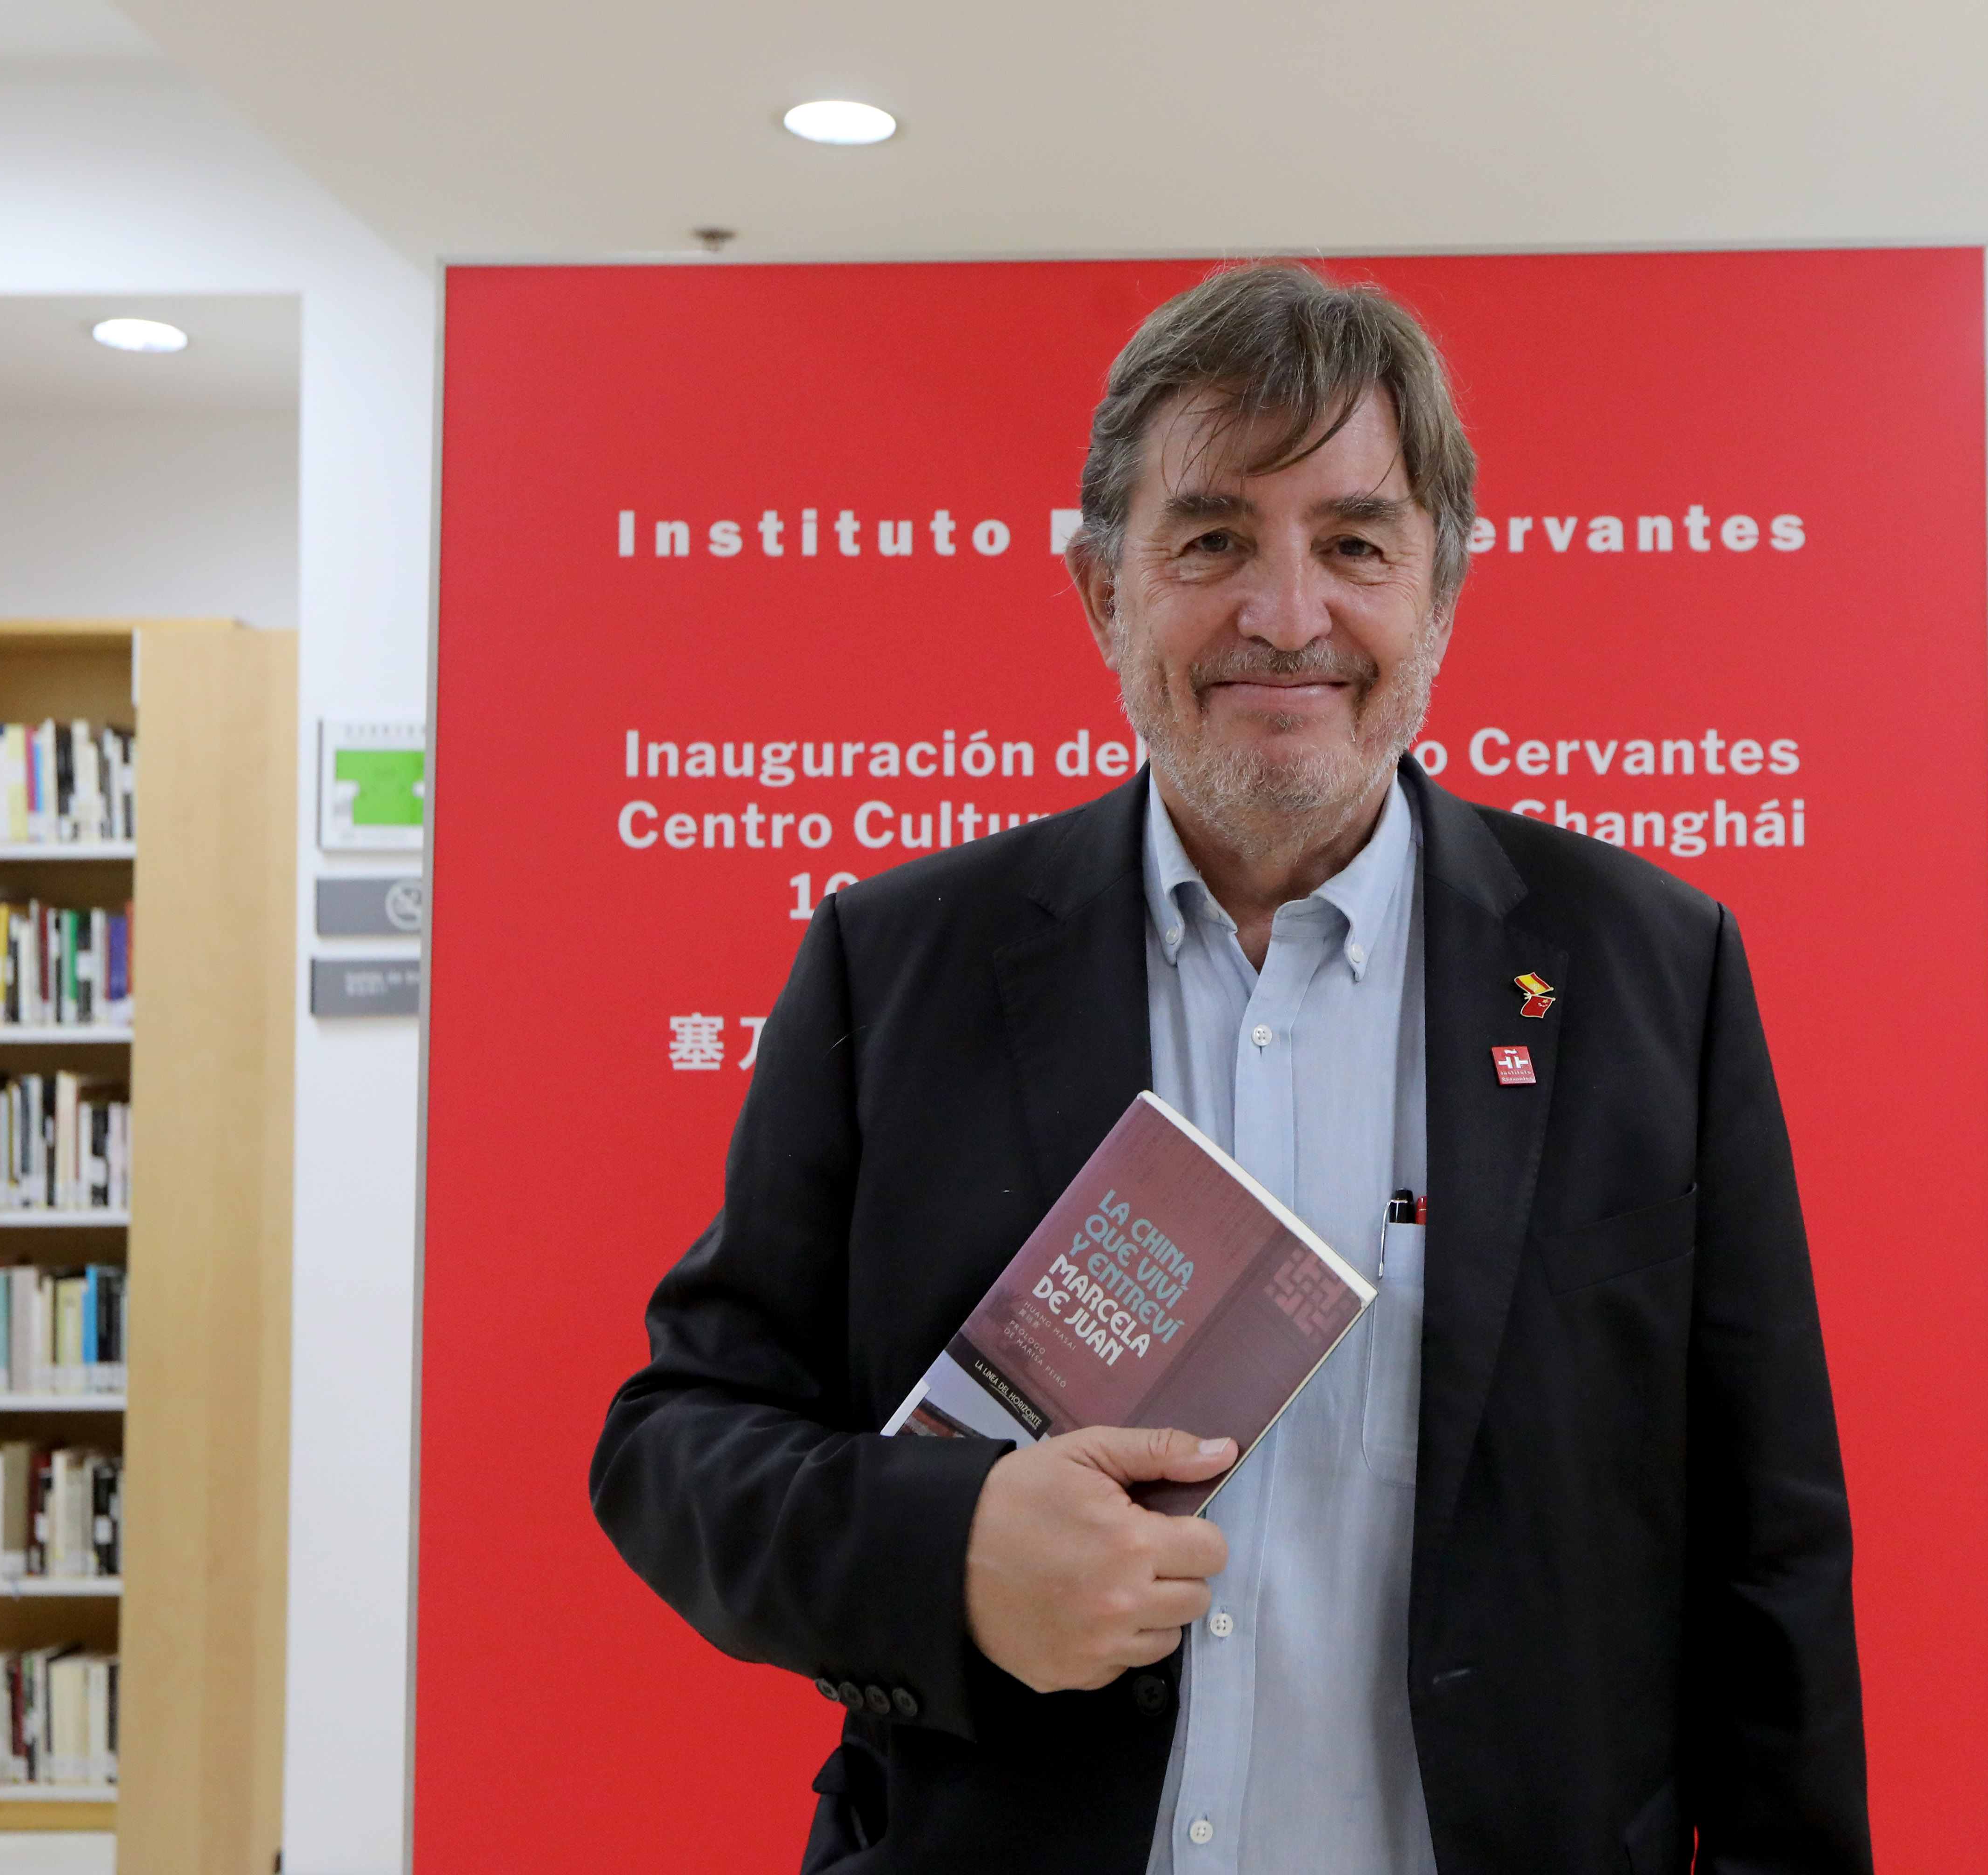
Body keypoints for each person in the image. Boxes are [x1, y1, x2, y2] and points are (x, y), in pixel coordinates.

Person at [591, 261, 1868, 1875]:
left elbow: (1771, 1548)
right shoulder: (895, 959)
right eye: (1209, 542)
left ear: (1443, 591)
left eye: (1353, 543)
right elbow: (678, 1439)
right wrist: (952, 1549)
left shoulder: (1646, 972)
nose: (1286, 615)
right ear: (1100, 592)